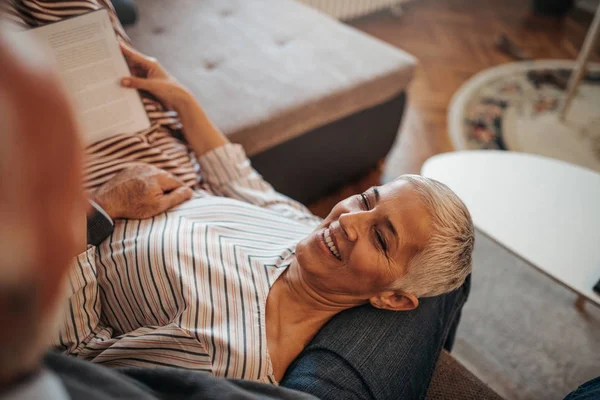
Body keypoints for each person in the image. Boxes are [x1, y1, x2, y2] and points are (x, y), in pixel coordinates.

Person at [0, 22, 471, 400]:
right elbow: (243, 183)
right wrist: (182, 98)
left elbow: (79, 353)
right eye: (367, 200)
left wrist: (97, 209)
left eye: (382, 238)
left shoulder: (218, 354)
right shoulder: (311, 239)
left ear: (393, 300)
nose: (348, 221)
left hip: (66, 192)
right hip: (149, 147)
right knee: (74, 15)